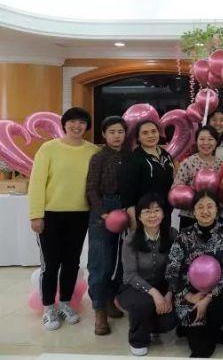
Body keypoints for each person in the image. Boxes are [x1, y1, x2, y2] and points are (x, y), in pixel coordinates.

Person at [28, 107, 100, 331]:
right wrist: (36, 215)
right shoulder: (48, 149)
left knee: (72, 262)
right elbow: (37, 182)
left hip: (80, 215)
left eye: (82, 122)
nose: (77, 126)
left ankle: (66, 303)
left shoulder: (93, 151)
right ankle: (49, 307)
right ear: (64, 124)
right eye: (72, 121)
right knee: (50, 265)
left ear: (87, 126)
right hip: (50, 215)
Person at [166, 191, 223, 358]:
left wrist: (208, 298)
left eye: (210, 206)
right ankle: (193, 328)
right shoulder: (184, 235)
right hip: (189, 295)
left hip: (216, 294)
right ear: (193, 211)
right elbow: (171, 270)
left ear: (216, 210)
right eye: (200, 207)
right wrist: (189, 296)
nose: (205, 211)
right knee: (201, 351)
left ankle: (210, 329)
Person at [117, 194, 177, 357]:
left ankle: (148, 324)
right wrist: (155, 293)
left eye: (156, 210)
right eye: (147, 212)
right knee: (144, 303)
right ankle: (138, 340)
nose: (152, 215)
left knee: (169, 321)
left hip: (164, 287)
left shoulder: (172, 235)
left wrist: (169, 293)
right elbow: (130, 275)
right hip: (133, 289)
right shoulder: (130, 240)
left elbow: (177, 268)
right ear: (139, 216)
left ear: (163, 214)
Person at [86, 116, 129, 335]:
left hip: (126, 209)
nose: (116, 136)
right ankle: (99, 310)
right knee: (101, 263)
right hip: (103, 211)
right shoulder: (98, 157)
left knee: (120, 262)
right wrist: (103, 213)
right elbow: (91, 189)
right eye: (112, 132)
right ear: (104, 134)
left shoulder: (129, 155)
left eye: (120, 131)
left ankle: (111, 299)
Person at [119, 120, 175, 229]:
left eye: (153, 131)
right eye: (145, 133)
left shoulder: (166, 155)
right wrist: (132, 217)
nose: (150, 135)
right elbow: (127, 192)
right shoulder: (133, 159)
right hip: (144, 213)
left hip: (164, 211)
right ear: (138, 138)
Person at [171, 126, 223, 230]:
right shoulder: (188, 162)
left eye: (210, 139)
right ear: (196, 141)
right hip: (190, 216)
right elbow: (175, 189)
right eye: (202, 139)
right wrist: (192, 193)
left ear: (216, 142)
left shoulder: (221, 164)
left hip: (212, 216)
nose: (206, 143)